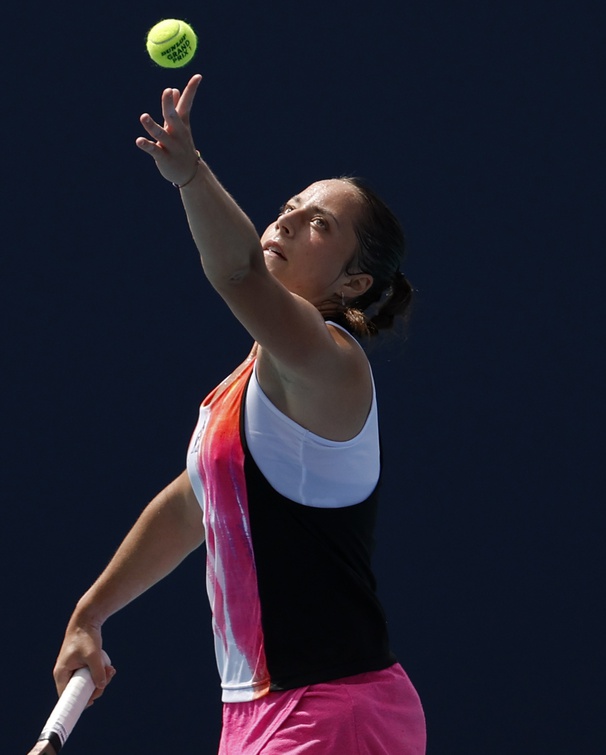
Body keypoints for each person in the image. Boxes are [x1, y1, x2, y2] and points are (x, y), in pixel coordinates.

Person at [50, 74, 426, 754]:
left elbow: (239, 273)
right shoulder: (244, 389)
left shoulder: (333, 364)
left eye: (319, 224)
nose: (285, 221)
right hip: (260, 714)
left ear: (354, 282)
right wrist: (91, 610)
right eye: (289, 206)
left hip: (335, 711)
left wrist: (191, 174)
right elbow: (197, 502)